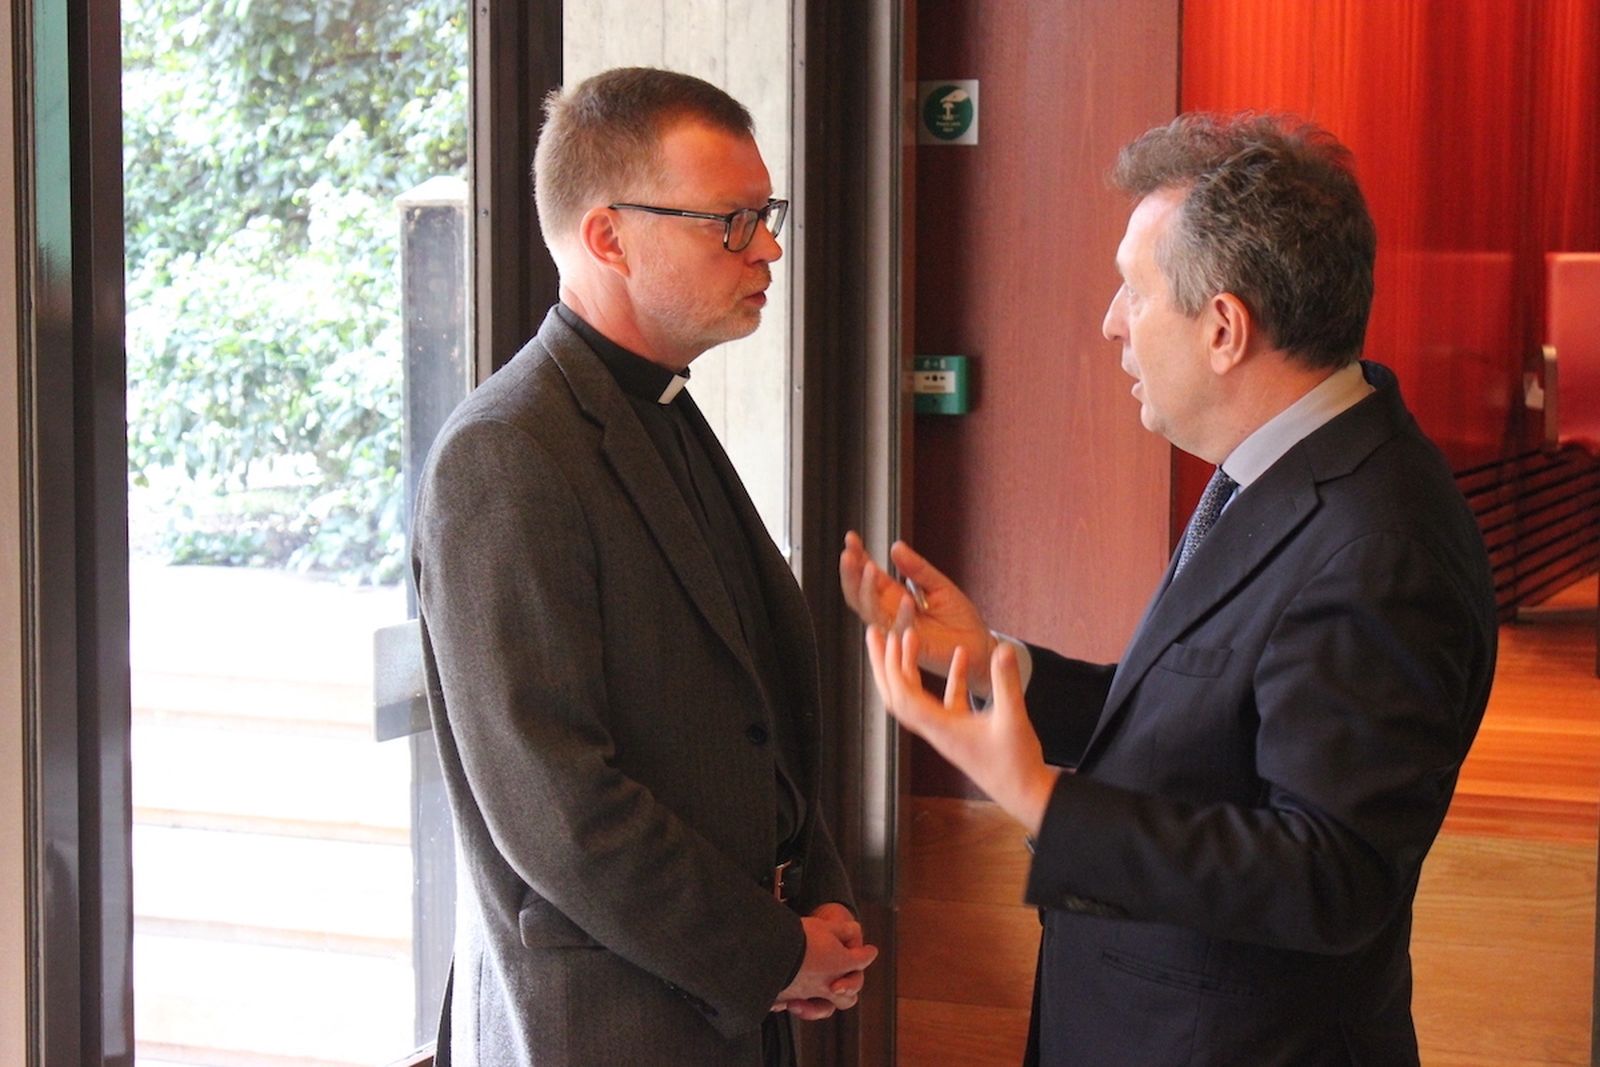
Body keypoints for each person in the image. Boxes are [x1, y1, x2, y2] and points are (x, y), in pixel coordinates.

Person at [841, 113, 1497, 1065]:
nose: (1112, 320)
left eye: (1135, 292)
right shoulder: (1280, 471)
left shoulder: (1380, 540)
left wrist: (1038, 798)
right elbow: (1205, 726)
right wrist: (997, 670)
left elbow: (1331, 874)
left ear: (1225, 327)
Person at [413, 67, 876, 1067]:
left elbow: (751, 719)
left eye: (766, 213)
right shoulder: (504, 450)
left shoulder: (660, 404)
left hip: (729, 998)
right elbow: (556, 804)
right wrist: (770, 950)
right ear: (608, 236)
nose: (769, 247)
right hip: (603, 1020)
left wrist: (819, 889)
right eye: (731, 221)